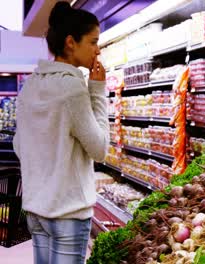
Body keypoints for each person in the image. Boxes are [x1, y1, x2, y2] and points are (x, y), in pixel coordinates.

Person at [13, 1, 109, 263]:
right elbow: (99, 150)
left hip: (36, 210)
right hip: (67, 213)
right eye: (92, 41)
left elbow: (19, 147)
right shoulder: (72, 89)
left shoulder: (31, 86)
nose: (97, 50)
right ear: (70, 43)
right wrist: (98, 91)